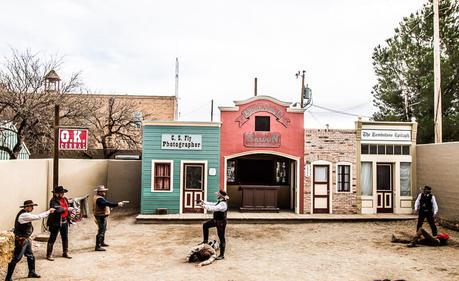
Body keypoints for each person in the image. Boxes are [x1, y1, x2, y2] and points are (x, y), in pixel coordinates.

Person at [5, 200, 55, 281]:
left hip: (26, 239)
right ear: (27, 207)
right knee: (16, 258)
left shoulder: (25, 214)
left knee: (30, 256)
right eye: (31, 206)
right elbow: (38, 217)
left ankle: (31, 272)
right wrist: (48, 211)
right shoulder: (24, 215)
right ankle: (8, 278)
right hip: (21, 241)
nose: (33, 208)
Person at [198, 190, 229, 260]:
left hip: (221, 223)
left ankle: (222, 255)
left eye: (218, 194)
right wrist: (204, 202)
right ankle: (205, 241)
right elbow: (213, 204)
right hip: (215, 221)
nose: (216, 195)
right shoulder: (220, 202)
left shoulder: (223, 204)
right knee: (205, 225)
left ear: (221, 196)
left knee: (221, 238)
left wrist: (203, 206)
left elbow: (214, 208)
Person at [93, 185, 126, 251]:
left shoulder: (97, 197)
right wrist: (117, 204)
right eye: (103, 191)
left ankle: (101, 242)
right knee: (101, 231)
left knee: (103, 229)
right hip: (101, 216)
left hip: (101, 215)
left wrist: (109, 207)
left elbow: (104, 205)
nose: (104, 192)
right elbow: (106, 203)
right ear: (99, 192)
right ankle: (98, 246)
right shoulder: (99, 199)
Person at [46, 185, 74, 261]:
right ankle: (49, 254)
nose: (61, 194)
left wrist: (69, 213)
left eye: (62, 193)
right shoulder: (53, 200)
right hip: (55, 222)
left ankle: (65, 252)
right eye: (60, 193)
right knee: (52, 238)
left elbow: (66, 208)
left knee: (65, 237)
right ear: (56, 193)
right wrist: (67, 209)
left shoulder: (65, 199)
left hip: (64, 221)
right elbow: (58, 210)